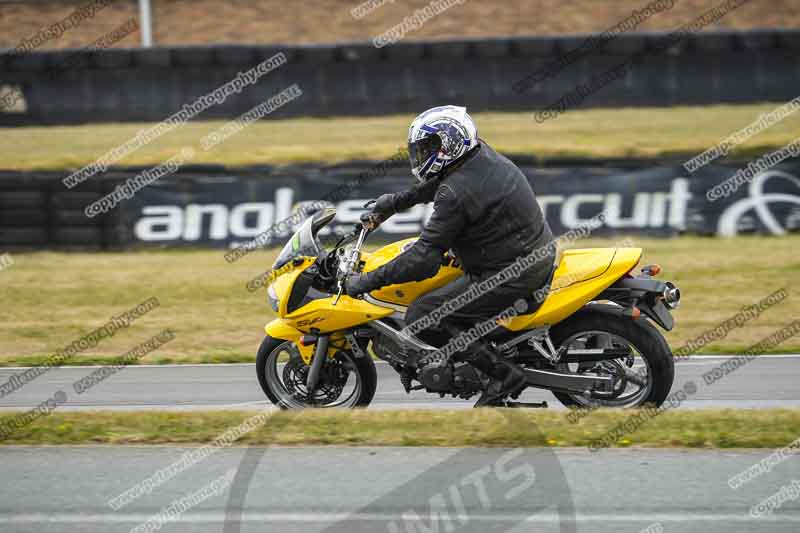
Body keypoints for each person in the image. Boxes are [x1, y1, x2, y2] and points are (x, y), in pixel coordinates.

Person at [345, 105, 555, 407]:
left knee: (423, 316)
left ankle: (503, 376)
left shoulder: (454, 193)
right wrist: (391, 203)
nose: (419, 155)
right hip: (523, 253)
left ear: (450, 144)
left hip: (512, 271)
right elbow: (438, 185)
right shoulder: (478, 157)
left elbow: (422, 260)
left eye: (428, 147)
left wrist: (365, 282)